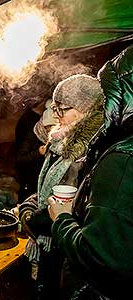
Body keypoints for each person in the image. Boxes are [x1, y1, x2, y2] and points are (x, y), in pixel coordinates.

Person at [47, 45, 133, 300]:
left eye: (63, 108)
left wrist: (60, 219)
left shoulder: (120, 159)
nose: (57, 115)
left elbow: (101, 257)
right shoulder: (66, 143)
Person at [19, 74, 104, 300]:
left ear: (85, 109)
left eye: (61, 109)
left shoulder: (89, 153)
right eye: (53, 108)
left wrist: (30, 219)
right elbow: (50, 187)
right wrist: (29, 203)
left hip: (67, 254)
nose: (55, 115)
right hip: (52, 246)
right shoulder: (60, 143)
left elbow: (73, 207)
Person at [14, 99, 48, 203]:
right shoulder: (32, 135)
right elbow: (20, 159)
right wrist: (38, 152)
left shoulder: (57, 137)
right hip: (29, 180)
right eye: (48, 128)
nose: (50, 131)